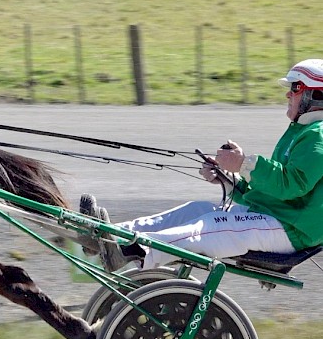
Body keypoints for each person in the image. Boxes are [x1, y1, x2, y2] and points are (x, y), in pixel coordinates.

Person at [82, 58, 323, 271]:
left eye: (296, 87)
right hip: (275, 217)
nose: (288, 94)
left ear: (316, 95)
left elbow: (292, 184)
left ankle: (127, 251)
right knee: (196, 210)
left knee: (209, 225)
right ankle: (109, 234)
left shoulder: (318, 135)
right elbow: (276, 193)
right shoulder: (303, 131)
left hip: (291, 230)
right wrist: (229, 180)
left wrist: (244, 164)